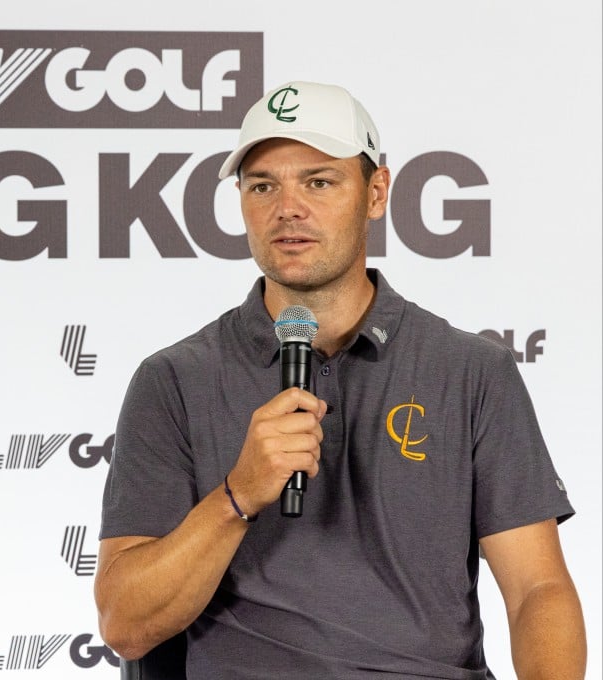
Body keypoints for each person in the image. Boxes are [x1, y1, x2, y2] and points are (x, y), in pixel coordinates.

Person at [94, 81, 586, 679]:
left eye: (319, 181)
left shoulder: (469, 371)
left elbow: (538, 589)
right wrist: (237, 496)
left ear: (376, 191)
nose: (287, 208)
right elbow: (125, 624)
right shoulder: (174, 380)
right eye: (262, 185)